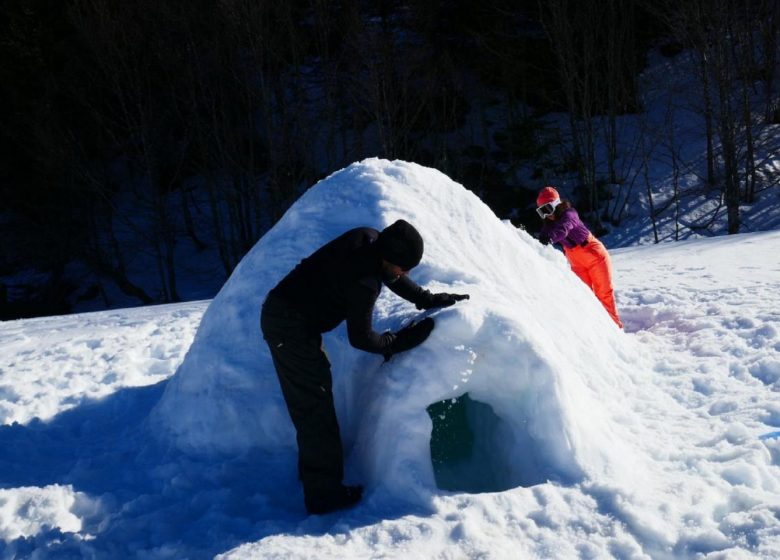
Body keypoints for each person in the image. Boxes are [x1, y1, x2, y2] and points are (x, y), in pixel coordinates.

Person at [260, 219, 469, 515]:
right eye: (403, 267)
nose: (405, 273)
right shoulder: (364, 281)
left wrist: (428, 299)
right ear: (389, 258)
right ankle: (323, 495)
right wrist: (399, 341)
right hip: (288, 327)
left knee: (314, 397)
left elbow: (392, 275)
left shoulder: (369, 238)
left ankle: (314, 473)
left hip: (292, 316)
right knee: (314, 405)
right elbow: (363, 339)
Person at [536, 186, 623, 328]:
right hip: (576, 262)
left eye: (547, 210)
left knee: (603, 294)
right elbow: (543, 236)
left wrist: (550, 238)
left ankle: (615, 329)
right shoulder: (549, 223)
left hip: (594, 254)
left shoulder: (570, 214)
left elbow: (564, 228)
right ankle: (593, 329)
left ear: (556, 204)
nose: (546, 215)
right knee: (585, 297)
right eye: (541, 212)